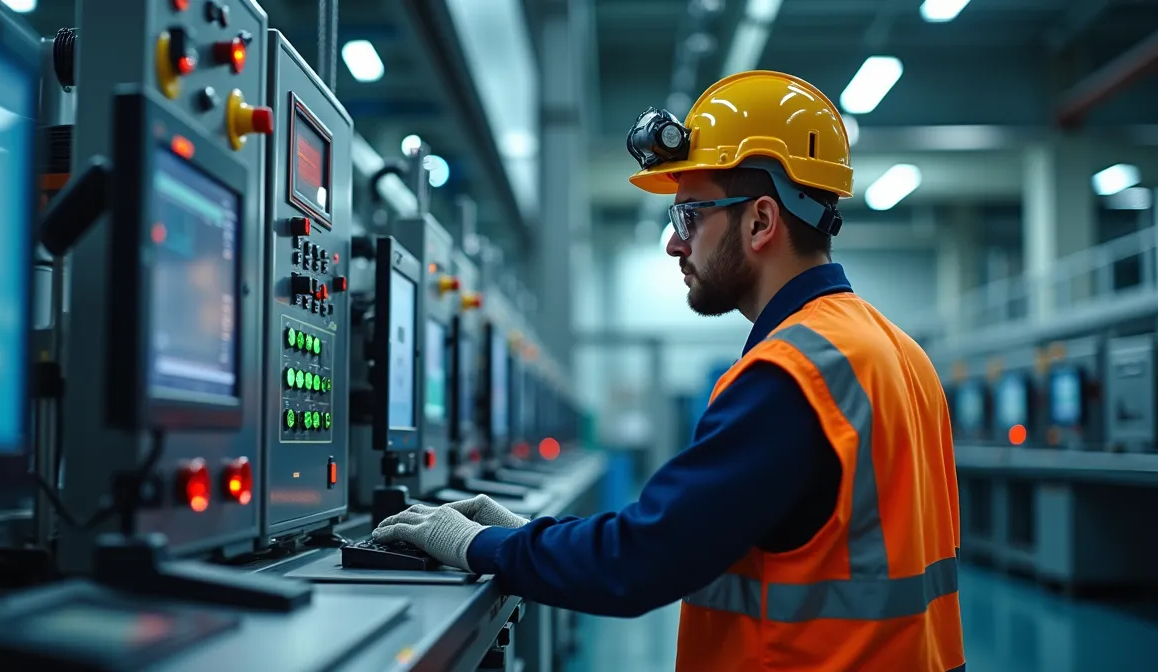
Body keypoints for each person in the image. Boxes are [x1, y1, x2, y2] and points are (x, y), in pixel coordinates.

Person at [373, 71, 965, 672]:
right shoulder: (900, 355)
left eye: (690, 217)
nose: (674, 245)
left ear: (761, 222)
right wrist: (527, 533)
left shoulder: (793, 374)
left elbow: (639, 559)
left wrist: (477, 544)